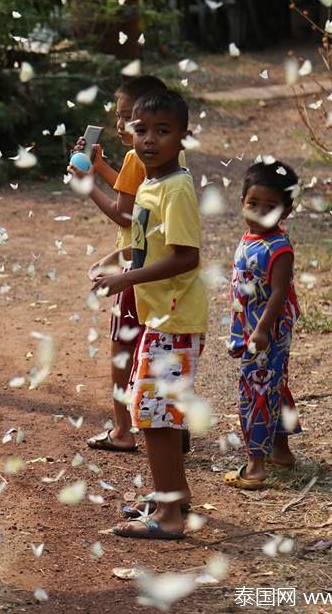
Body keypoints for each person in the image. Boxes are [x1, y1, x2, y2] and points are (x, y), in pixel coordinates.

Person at [92, 91, 207, 539]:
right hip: (161, 318)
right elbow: (145, 244)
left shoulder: (176, 188)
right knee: (155, 412)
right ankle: (169, 498)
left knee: (156, 417)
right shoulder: (151, 185)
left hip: (174, 320)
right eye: (142, 130)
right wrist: (115, 261)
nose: (150, 140)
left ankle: (170, 517)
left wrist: (127, 280)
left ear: (183, 138)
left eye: (163, 131)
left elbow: (186, 258)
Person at [70, 75, 187, 454]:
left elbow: (124, 213)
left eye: (127, 118)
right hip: (150, 265)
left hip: (138, 271)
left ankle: (122, 428)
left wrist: (89, 185)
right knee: (155, 348)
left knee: (125, 347)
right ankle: (171, 423)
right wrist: (102, 169)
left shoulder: (139, 157)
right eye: (119, 117)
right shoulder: (167, 158)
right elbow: (134, 196)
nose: (120, 126)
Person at [224, 161, 302, 490]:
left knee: (255, 392)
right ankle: (281, 452)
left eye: (270, 207)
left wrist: (262, 330)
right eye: (253, 204)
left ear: (287, 210)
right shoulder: (251, 237)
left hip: (266, 333)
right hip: (253, 328)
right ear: (242, 200)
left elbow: (280, 293)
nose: (259, 212)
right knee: (272, 388)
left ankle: (255, 465)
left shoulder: (278, 249)